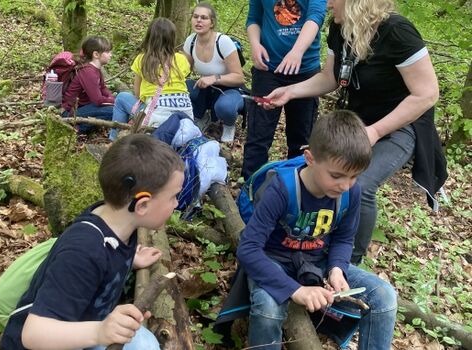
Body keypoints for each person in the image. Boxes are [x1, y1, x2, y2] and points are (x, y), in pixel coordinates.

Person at [264, 0, 447, 264]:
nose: (326, 4)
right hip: (360, 120)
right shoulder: (339, 29)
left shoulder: (397, 31)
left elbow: (427, 94)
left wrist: (375, 131)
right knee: (321, 170)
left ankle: (349, 263)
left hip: (402, 124)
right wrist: (291, 92)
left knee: (360, 183)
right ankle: (314, 240)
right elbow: (330, 78)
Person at [1, 134, 185, 350]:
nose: (177, 204)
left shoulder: (117, 226)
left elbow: (105, 257)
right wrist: (100, 332)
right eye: (173, 196)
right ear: (142, 205)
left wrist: (129, 258)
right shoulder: (84, 252)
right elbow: (34, 334)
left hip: (79, 332)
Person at [236, 110, 397, 350]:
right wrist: (295, 290)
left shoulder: (351, 192)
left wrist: (336, 269)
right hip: (274, 260)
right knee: (268, 310)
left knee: (384, 297)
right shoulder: (281, 189)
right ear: (310, 158)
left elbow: (343, 237)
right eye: (336, 176)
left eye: (354, 177)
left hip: (317, 260)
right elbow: (248, 249)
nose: (345, 185)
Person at [241, 0, 327, 179]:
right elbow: (253, 19)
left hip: (304, 70)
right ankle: (249, 189)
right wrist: (255, 45)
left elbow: (316, 16)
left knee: (301, 139)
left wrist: (297, 51)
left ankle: (297, 189)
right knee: (258, 136)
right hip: (267, 69)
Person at [110, 18, 194, 140]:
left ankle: (113, 140)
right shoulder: (181, 59)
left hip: (156, 117)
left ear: (149, 36)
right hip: (185, 118)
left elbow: (138, 94)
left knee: (121, 98)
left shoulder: (142, 59)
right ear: (172, 38)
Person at [182, 2, 245, 143]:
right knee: (182, 86)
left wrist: (214, 78)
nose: (198, 20)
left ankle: (229, 125)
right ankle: (201, 116)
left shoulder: (223, 42)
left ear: (212, 23)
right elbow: (184, 70)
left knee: (225, 107)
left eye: (204, 18)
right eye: (195, 16)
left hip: (229, 90)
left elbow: (239, 77)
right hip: (205, 89)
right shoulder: (190, 41)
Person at [61, 36, 120, 135]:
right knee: (115, 111)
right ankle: (75, 128)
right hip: (70, 112)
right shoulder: (88, 72)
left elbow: (103, 89)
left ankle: (83, 126)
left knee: (121, 100)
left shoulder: (95, 69)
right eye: (108, 52)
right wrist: (115, 102)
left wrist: (113, 99)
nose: (111, 55)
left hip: (84, 107)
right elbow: (98, 100)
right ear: (96, 54)